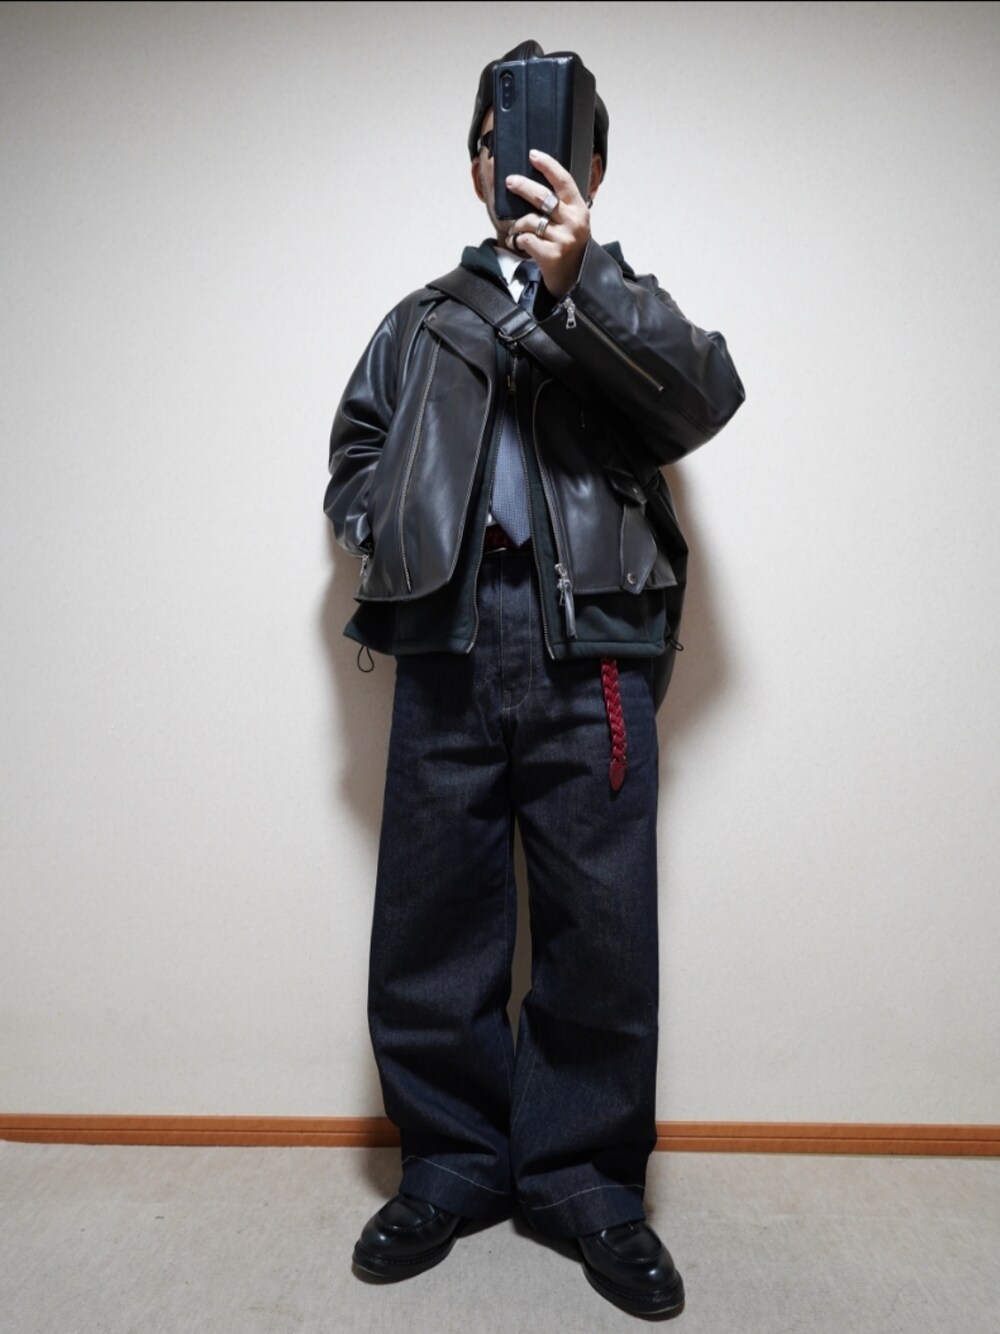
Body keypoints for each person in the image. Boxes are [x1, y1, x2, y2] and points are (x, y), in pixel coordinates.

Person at [323, 39, 744, 1318]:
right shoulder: (417, 322)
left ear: (593, 170)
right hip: (449, 635)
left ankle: (585, 1182)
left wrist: (583, 282)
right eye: (498, 146)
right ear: (475, 167)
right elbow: (353, 454)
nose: (519, 166)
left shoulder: (621, 307)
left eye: (559, 148)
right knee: (432, 920)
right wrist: (384, 524)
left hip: (594, 643)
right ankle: (450, 1162)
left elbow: (706, 399)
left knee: (599, 925)